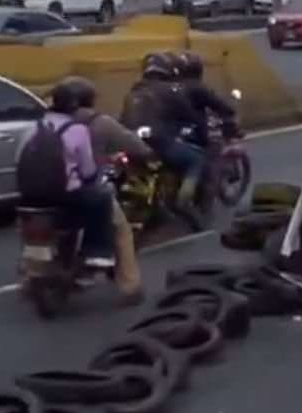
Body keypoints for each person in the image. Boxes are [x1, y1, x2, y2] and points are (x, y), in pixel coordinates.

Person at [60, 77, 151, 301]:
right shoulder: (100, 123)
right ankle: (130, 287)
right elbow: (136, 146)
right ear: (89, 99)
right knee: (121, 231)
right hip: (86, 191)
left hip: (47, 190)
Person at [34, 84, 116, 270]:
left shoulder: (32, 128)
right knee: (102, 197)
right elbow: (88, 171)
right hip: (65, 195)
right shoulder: (78, 130)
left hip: (30, 195)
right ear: (74, 106)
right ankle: (96, 252)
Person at [122, 52, 203, 219]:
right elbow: (191, 116)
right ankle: (184, 201)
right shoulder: (171, 91)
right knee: (195, 160)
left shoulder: (133, 92)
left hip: (130, 142)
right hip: (158, 143)